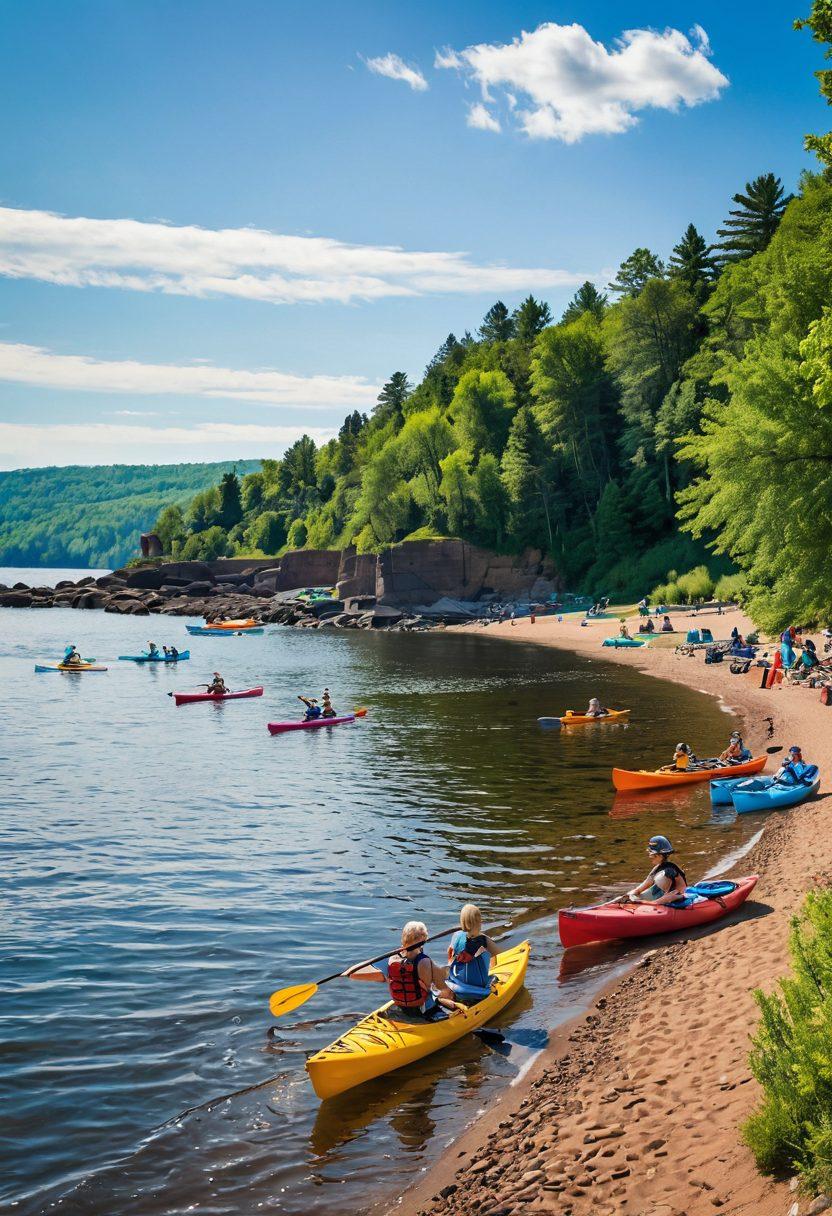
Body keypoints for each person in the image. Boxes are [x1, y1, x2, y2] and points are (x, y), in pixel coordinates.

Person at [345, 920, 458, 1020]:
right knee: (447, 997)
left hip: (400, 1006)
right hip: (423, 1010)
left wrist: (349, 972)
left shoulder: (390, 959)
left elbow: (353, 974)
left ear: (403, 939)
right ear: (424, 940)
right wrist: (452, 998)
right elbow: (444, 989)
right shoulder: (425, 962)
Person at [447, 905, 499, 1003]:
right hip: (479, 989)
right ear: (479, 922)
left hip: (459, 986)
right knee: (494, 969)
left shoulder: (456, 936)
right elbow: (500, 954)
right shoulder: (484, 940)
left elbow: (449, 953)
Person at [622, 836, 688, 906]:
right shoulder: (657, 869)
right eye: (650, 853)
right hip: (663, 897)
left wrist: (637, 902)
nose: (650, 856)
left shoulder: (668, 872)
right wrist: (627, 896)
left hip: (677, 899)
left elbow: (657, 902)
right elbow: (639, 889)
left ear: (661, 856)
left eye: (653, 855)